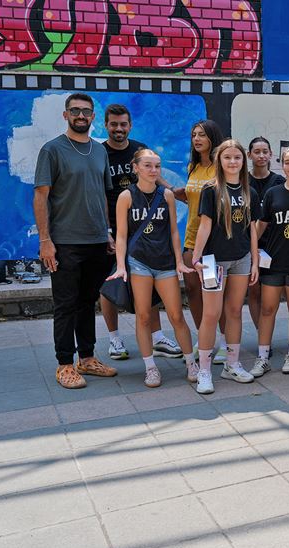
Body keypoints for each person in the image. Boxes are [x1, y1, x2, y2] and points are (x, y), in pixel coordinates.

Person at [33, 93, 118, 389]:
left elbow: (101, 194)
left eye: (86, 111)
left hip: (96, 240)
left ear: (93, 117)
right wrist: (45, 240)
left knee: (86, 302)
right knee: (66, 304)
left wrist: (107, 232)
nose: (81, 116)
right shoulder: (52, 150)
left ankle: (87, 358)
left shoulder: (99, 150)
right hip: (65, 242)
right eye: (75, 111)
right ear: (65, 114)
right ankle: (65, 365)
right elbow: (40, 196)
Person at [106, 149, 198, 387]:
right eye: (147, 165)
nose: (153, 170)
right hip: (139, 262)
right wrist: (121, 265)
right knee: (144, 316)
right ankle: (150, 368)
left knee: (176, 315)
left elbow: (174, 232)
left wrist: (179, 262)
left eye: (157, 166)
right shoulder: (126, 196)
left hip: (164, 262)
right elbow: (122, 235)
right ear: (135, 167)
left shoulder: (166, 195)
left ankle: (191, 363)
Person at [100, 104, 180, 361]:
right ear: (106, 125)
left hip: (141, 228)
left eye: (123, 124)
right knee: (110, 284)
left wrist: (173, 192)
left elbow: (156, 179)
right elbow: (99, 193)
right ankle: (114, 339)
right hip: (113, 228)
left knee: (149, 282)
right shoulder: (99, 153)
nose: (119, 128)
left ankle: (157, 337)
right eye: (114, 124)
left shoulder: (139, 149)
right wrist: (106, 231)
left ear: (130, 126)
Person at [191, 139, 260, 394]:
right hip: (213, 261)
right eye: (227, 157)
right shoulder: (211, 190)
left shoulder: (250, 192)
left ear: (243, 161)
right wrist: (196, 258)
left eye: (237, 157)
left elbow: (252, 230)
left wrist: (254, 261)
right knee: (211, 314)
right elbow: (205, 226)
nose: (232, 162)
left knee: (234, 312)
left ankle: (232, 364)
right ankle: (204, 370)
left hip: (241, 259)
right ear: (219, 160)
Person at [173, 119, 228, 363]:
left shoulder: (221, 168)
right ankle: (204, 338)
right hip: (191, 237)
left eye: (202, 135)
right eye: (194, 134)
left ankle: (225, 341)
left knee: (216, 293)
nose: (197, 139)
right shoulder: (192, 167)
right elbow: (195, 199)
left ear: (212, 138)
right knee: (193, 290)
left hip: (214, 240)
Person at [251, 146, 289, 377]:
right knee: (267, 309)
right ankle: (262, 357)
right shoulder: (273, 193)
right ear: (281, 165)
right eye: (287, 163)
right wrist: (252, 249)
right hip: (273, 260)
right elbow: (261, 225)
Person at [246, 137, 285, 331]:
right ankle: (262, 334)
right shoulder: (242, 181)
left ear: (271, 154)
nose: (261, 155)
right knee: (253, 291)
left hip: (275, 245)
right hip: (250, 245)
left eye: (265, 152)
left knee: (276, 293)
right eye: (257, 152)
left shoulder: (279, 182)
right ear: (249, 155)